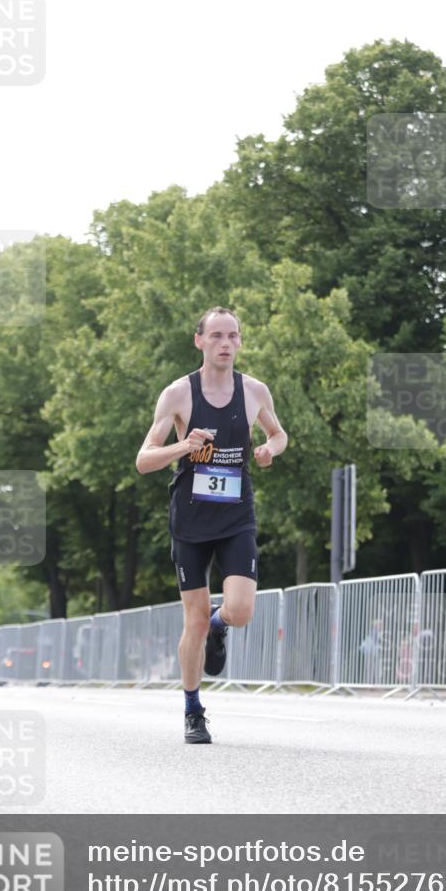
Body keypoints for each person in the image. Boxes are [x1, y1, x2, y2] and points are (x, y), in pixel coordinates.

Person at [135, 306, 287, 744]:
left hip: (236, 515)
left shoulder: (255, 391)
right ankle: (192, 710)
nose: (226, 343)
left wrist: (269, 450)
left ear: (239, 342)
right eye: (217, 335)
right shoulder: (178, 394)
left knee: (238, 612)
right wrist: (183, 446)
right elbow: (144, 460)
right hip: (191, 520)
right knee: (194, 620)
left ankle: (221, 629)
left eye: (233, 336)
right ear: (199, 341)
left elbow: (278, 434)